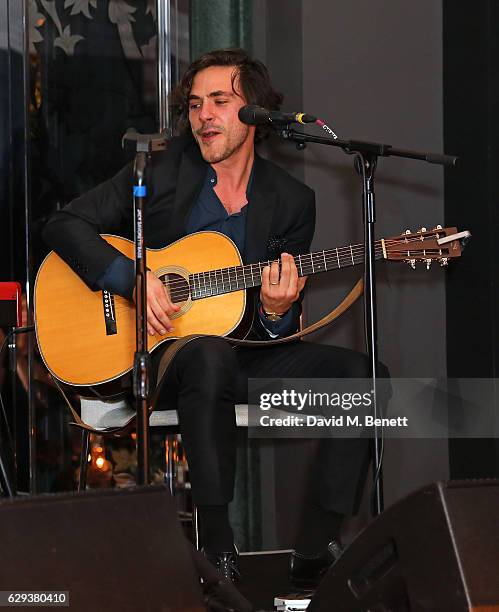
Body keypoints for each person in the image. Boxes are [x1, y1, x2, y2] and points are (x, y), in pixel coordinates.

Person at [42, 48, 383, 588]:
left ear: (256, 113)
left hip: (242, 354)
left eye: (220, 101)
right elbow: (65, 225)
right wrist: (132, 278)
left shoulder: (293, 201)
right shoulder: (159, 169)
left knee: (365, 379)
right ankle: (217, 551)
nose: (204, 115)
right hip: (161, 359)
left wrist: (275, 312)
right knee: (207, 354)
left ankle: (315, 551)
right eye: (196, 104)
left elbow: (279, 322)